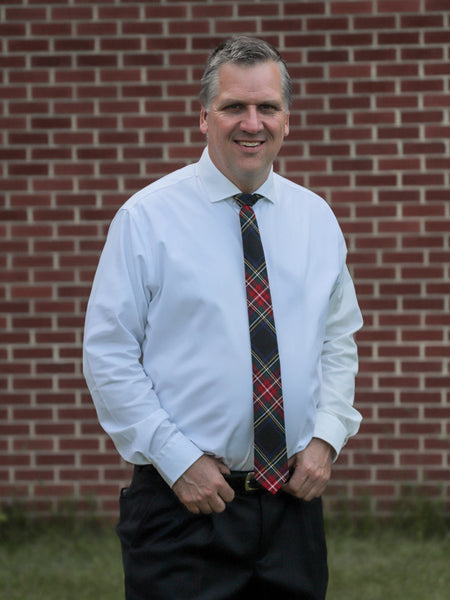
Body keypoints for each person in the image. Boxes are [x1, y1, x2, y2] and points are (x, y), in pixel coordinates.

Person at [83, 36, 363, 600]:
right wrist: (176, 459)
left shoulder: (316, 219)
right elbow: (108, 354)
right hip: (181, 510)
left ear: (288, 119)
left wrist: (328, 437)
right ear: (204, 115)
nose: (251, 123)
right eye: (235, 106)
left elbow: (338, 339)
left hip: (292, 510)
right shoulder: (147, 219)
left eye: (268, 108)